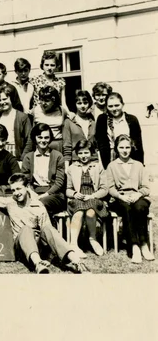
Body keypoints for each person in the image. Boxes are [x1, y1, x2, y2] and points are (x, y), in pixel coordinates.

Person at [0, 173, 89, 273]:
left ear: (27, 187)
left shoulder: (38, 205)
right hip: (22, 247)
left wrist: (49, 257)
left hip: (38, 245)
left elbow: (48, 232)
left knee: (48, 227)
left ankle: (76, 261)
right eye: (13, 190)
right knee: (26, 229)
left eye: (19, 189)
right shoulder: (10, 202)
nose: (16, 193)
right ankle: (38, 263)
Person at [106, 134, 154, 263]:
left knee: (139, 207)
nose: (125, 150)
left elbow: (146, 187)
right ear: (116, 149)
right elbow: (110, 188)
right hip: (120, 198)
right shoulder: (112, 166)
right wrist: (121, 196)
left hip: (137, 196)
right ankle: (135, 246)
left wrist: (138, 194)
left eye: (127, 147)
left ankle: (144, 244)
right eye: (121, 147)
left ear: (131, 148)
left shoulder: (138, 165)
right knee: (127, 208)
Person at [66, 139, 108, 257]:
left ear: (91, 152)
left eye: (86, 152)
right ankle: (73, 243)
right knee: (78, 212)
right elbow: (68, 189)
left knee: (90, 212)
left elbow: (105, 189)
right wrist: (74, 194)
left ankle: (92, 239)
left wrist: (93, 195)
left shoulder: (98, 166)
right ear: (77, 154)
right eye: (80, 153)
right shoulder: (72, 168)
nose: (83, 156)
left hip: (93, 197)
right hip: (78, 198)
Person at [21, 123, 66, 217]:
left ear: (50, 138)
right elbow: (25, 181)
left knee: (39, 204)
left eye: (46, 137)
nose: (43, 140)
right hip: (34, 193)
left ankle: (44, 231)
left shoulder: (58, 156)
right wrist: (32, 194)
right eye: (40, 137)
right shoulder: (28, 157)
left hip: (54, 194)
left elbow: (59, 182)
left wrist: (44, 195)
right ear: (35, 138)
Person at [95, 92, 144, 169]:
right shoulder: (102, 119)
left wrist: (140, 165)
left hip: (129, 156)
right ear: (106, 107)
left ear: (122, 104)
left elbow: (138, 144)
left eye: (117, 105)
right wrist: (106, 166)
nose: (114, 109)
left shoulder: (132, 119)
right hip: (111, 158)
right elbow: (102, 144)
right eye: (110, 106)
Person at [0, 84, 31, 162]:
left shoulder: (22, 117)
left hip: (16, 153)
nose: (2, 102)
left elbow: (30, 139)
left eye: (5, 99)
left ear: (11, 98)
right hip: (0, 153)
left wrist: (23, 158)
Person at [62, 89, 96, 166]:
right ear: (75, 104)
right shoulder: (69, 122)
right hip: (76, 162)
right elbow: (67, 147)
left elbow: (97, 146)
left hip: (93, 161)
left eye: (85, 103)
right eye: (79, 103)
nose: (83, 106)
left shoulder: (93, 121)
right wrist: (67, 169)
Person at [31, 86, 66, 153]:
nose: (43, 103)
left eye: (47, 101)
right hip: (41, 144)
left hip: (57, 145)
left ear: (54, 100)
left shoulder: (62, 111)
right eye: (41, 100)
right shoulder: (35, 111)